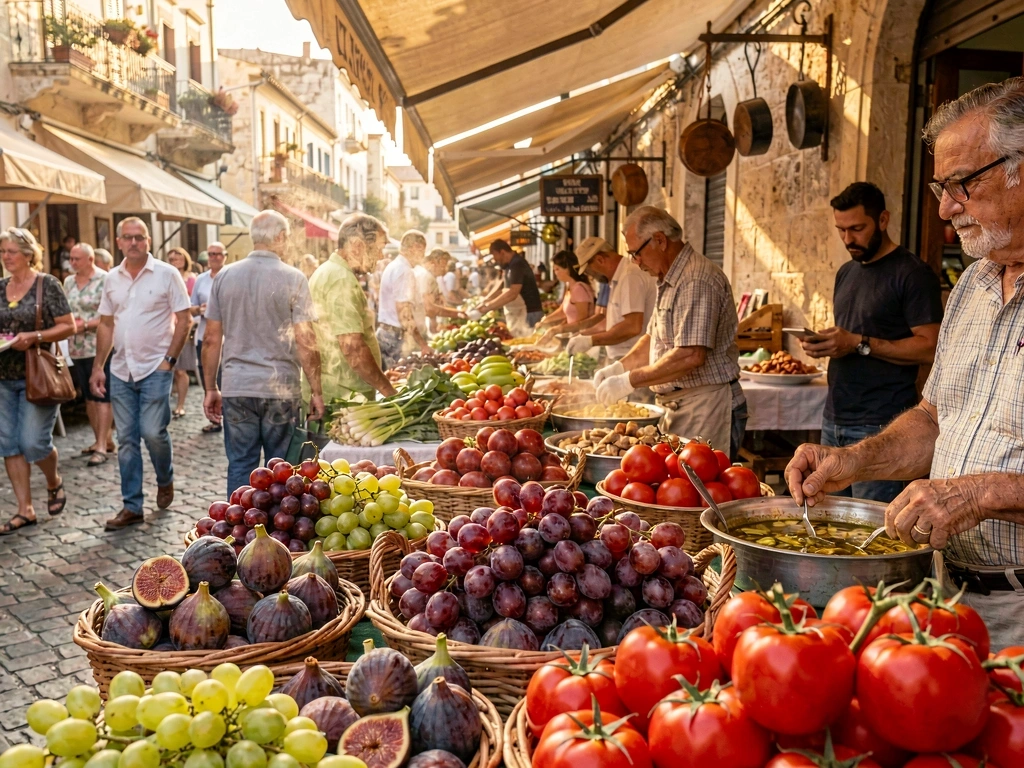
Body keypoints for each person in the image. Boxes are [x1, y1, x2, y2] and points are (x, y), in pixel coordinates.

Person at [786, 77, 1024, 648]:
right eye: (942, 186)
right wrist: (851, 461)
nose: (945, 207)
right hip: (949, 595)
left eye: (962, 183)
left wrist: (979, 494)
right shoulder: (973, 283)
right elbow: (935, 420)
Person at [798, 182, 943, 503]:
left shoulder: (913, 274)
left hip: (883, 426)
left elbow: (931, 347)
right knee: (824, 523)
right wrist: (828, 344)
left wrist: (859, 343)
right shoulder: (846, 273)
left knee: (869, 534)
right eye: (841, 229)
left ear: (883, 219)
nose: (848, 239)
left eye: (857, 228)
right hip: (834, 417)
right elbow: (854, 335)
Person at [595, 207, 745, 457]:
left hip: (705, 407)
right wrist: (619, 368)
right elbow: (653, 337)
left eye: (636, 253)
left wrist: (629, 380)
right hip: (680, 406)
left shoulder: (696, 280)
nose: (635, 261)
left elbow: (690, 355)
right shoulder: (668, 278)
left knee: (701, 490)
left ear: (660, 240)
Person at [201, 211, 325, 496]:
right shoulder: (293, 278)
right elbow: (306, 341)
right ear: (280, 237)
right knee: (281, 469)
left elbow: (210, 339)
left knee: (241, 464)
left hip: (238, 386)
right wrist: (316, 390)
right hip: (279, 387)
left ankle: (237, 528)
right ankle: (278, 534)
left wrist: (210, 387)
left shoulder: (225, 276)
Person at [91, 217, 192, 530]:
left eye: (139, 237)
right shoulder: (112, 278)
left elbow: (185, 319)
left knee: (152, 432)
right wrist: (98, 366)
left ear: (148, 241)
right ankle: (132, 506)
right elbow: (106, 324)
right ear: (118, 242)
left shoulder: (166, 273)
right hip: (121, 369)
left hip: (155, 369)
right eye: (127, 237)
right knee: (127, 441)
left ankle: (165, 478)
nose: (133, 242)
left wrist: (169, 361)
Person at [0, 228, 75, 534]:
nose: (6, 257)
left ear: (28, 254)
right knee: (8, 444)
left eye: (11, 252)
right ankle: (24, 510)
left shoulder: (48, 284)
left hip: (39, 376)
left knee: (33, 442)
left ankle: (54, 480)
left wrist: (35, 336)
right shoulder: (1, 287)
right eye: (3, 252)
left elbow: (68, 326)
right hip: (3, 376)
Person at [307, 213, 397, 402]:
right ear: (357, 246)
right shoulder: (341, 279)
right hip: (344, 397)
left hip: (337, 392)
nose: (381, 256)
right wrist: (388, 391)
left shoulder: (328, 271)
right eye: (378, 249)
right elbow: (353, 348)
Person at [557, 237, 657, 362]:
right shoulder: (618, 278)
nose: (590, 275)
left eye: (589, 270)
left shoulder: (630, 276)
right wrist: (585, 335)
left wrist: (591, 340)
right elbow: (614, 323)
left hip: (633, 359)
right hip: (624, 357)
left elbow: (632, 326)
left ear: (600, 260)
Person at [64, 242, 115, 465]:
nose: (72, 263)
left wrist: (85, 324)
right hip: (76, 346)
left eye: (77, 259)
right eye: (71, 258)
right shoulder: (68, 281)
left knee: (101, 394)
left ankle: (103, 445)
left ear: (90, 260)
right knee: (88, 395)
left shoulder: (104, 280)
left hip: (99, 345)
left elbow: (111, 315)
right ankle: (100, 440)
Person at [376, 230, 431, 369]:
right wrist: (423, 344)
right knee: (398, 383)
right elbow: (404, 314)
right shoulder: (404, 271)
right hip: (395, 338)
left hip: (387, 334)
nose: (423, 255)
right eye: (422, 250)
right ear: (414, 248)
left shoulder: (395, 266)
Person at [471, 240, 544, 337]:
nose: (494, 260)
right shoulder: (509, 266)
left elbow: (513, 293)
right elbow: (503, 288)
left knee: (530, 346)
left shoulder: (517, 265)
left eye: (494, 256)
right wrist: (486, 300)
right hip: (521, 314)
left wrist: (488, 307)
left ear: (502, 252)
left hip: (530, 313)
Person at [191, 241, 226, 434]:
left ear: (225, 256)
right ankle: (214, 418)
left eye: (218, 254)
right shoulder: (201, 280)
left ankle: (228, 416)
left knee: (225, 379)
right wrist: (200, 310)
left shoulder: (230, 277)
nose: (214, 257)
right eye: (211, 254)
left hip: (225, 339)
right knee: (208, 378)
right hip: (203, 337)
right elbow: (190, 308)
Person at [166, 247, 198, 418]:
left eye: (178, 258)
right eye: (171, 259)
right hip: (165, 328)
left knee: (180, 369)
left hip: (182, 327)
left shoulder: (191, 280)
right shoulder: (165, 277)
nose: (175, 261)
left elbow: (192, 305)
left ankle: (180, 404)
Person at [536, 250, 595, 340]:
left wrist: (560, 329)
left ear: (568, 269)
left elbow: (582, 320)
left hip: (582, 338)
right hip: (572, 336)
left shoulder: (579, 289)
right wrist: (545, 321)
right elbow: (562, 311)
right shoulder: (569, 286)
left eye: (557, 269)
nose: (555, 273)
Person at [417, 249, 466, 334]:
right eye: (444, 264)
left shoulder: (433, 277)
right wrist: (459, 313)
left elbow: (437, 303)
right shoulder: (426, 277)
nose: (446, 269)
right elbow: (429, 308)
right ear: (435, 262)